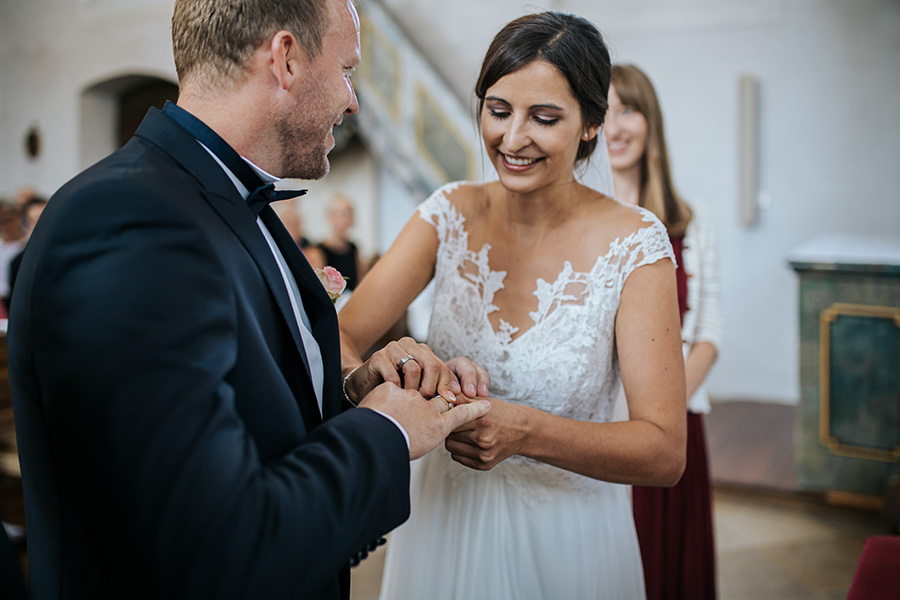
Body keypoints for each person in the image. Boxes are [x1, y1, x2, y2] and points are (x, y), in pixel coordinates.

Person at [7, 1, 490, 598]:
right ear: (285, 59)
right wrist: (384, 432)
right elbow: (211, 540)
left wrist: (347, 392)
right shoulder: (130, 219)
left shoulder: (221, 200)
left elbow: (244, 406)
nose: (353, 101)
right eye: (346, 71)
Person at [338, 12, 686, 599]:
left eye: (544, 118)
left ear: (591, 125)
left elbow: (664, 451)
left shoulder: (635, 246)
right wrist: (381, 373)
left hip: (569, 544)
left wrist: (524, 431)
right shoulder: (446, 215)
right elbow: (342, 338)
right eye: (498, 111)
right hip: (443, 529)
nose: (513, 138)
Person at [606, 63, 724, 600]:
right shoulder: (584, 220)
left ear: (649, 120)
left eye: (627, 109)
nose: (615, 126)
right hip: (600, 424)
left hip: (672, 424)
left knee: (668, 570)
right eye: (602, 111)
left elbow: (710, 329)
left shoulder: (690, 221)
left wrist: (663, 410)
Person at [6, 195, 47, 310]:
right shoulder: (19, 262)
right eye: (35, 220)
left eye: (45, 218)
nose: (42, 225)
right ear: (26, 224)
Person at [317, 194, 366, 290]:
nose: (347, 219)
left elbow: (361, 283)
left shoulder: (354, 248)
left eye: (349, 213)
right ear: (330, 217)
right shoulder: (318, 251)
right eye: (343, 214)